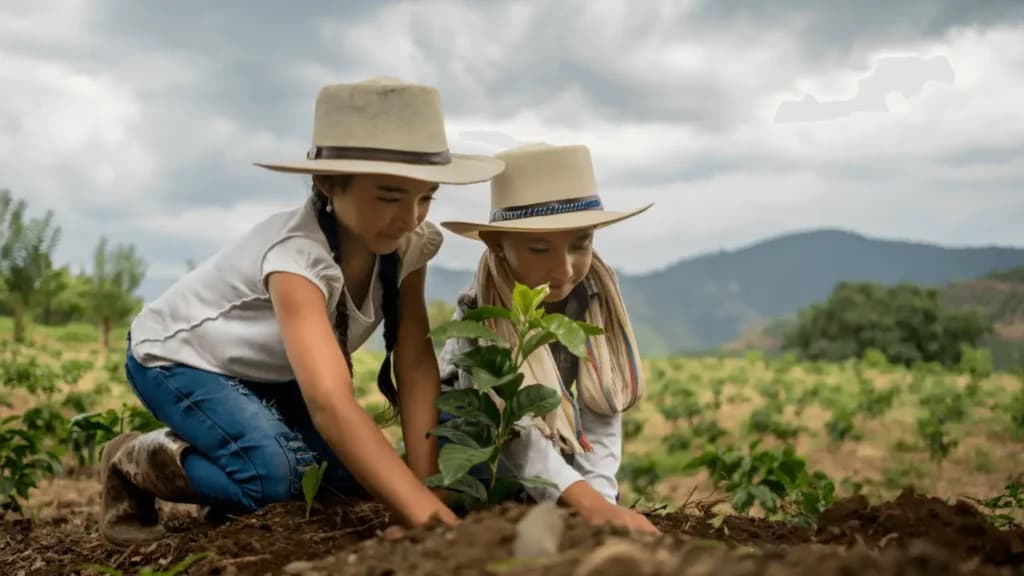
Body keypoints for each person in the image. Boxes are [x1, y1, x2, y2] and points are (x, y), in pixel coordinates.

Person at [100, 78, 505, 547]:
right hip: (181, 359)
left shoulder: (409, 245)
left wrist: (426, 490)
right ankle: (133, 459)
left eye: (426, 196)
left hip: (270, 371)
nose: (411, 216)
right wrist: (430, 524)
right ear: (327, 181)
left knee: (349, 481)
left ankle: (229, 484)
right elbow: (330, 404)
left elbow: (413, 362)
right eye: (391, 196)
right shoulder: (297, 257)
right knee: (279, 478)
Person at [437, 143, 659, 534]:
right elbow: (511, 429)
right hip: (479, 449)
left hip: (548, 447)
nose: (564, 269)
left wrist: (602, 503)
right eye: (539, 248)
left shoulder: (594, 296)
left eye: (581, 244)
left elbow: (601, 404)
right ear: (496, 244)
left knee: (586, 496)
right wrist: (586, 505)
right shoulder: (481, 310)